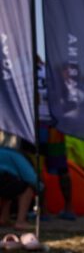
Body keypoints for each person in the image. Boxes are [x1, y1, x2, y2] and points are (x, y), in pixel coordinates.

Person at [34, 58, 75, 220]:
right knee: (61, 169)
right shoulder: (52, 73)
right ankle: (68, 208)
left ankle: (43, 211)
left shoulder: (26, 71)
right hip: (54, 126)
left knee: (37, 168)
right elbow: (69, 100)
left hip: (37, 125)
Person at [0, 147, 40, 231]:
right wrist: (41, 187)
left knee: (10, 188)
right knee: (27, 188)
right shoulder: (18, 156)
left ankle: (4, 218)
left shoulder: (3, 151)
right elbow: (32, 178)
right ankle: (20, 222)